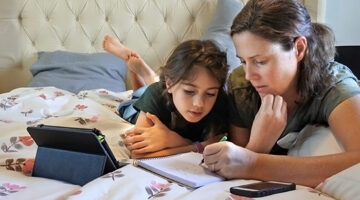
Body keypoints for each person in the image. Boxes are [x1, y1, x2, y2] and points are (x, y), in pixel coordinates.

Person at [202, 0, 360, 188]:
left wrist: (255, 163)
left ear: (299, 49)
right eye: (243, 61)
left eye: (260, 61)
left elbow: (357, 159)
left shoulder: (334, 85)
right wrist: (259, 146)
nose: (249, 75)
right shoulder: (241, 86)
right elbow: (235, 163)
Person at [103, 35, 229, 159]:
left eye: (210, 94)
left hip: (166, 91)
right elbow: (138, 155)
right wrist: (196, 146)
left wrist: (178, 141)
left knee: (155, 88)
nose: (199, 104)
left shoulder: (221, 101)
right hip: (150, 99)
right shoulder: (155, 94)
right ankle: (138, 70)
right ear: (169, 84)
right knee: (138, 97)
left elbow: (221, 141)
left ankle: (149, 76)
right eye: (189, 91)